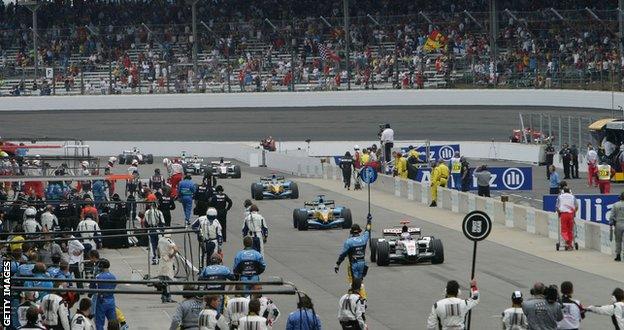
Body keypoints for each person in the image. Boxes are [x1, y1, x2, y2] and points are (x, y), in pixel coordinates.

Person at [335, 217, 372, 300]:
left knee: (354, 283)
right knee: (360, 281)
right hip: (362, 263)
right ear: (359, 231)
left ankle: (360, 299)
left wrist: (337, 264)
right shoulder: (364, 238)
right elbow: (368, 230)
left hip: (353, 265)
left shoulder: (349, 242)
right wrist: (369, 221)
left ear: (351, 231)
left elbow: (343, 255)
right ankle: (362, 299)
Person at [90, 259, 117, 330]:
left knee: (99, 323)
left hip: (101, 301)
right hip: (111, 300)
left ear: (101, 266)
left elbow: (92, 287)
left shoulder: (98, 276)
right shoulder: (113, 277)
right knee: (113, 322)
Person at [157, 232, 178, 303]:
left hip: (161, 260)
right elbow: (175, 249)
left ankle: (163, 296)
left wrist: (159, 256)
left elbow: (157, 249)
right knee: (167, 280)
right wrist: (171, 255)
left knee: (162, 279)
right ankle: (168, 297)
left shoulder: (160, 240)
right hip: (168, 261)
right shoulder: (169, 240)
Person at [609, 192, 624, 261]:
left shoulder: (616, 205)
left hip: (618, 224)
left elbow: (612, 216)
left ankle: (618, 255)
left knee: (618, 241)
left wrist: (611, 223)